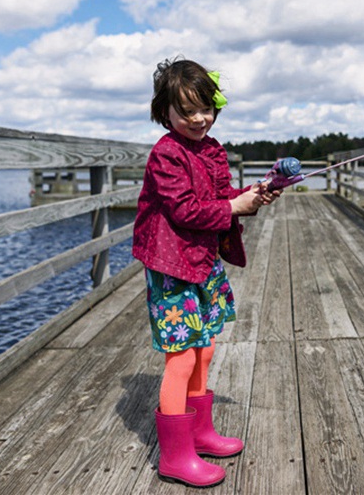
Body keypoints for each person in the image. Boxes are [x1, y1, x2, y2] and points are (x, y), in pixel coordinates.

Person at [132, 58, 281, 488]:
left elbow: (220, 196)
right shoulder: (166, 154)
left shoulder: (210, 148)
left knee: (207, 348)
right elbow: (184, 209)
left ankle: (200, 432)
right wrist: (232, 208)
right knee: (181, 357)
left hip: (202, 261)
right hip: (171, 265)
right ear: (166, 113)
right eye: (186, 111)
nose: (199, 119)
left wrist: (250, 194)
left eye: (206, 108)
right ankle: (176, 456)